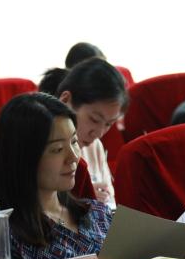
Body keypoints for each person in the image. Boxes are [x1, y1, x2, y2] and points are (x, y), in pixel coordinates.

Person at [0, 92, 113, 259]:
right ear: (23, 157)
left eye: (74, 142)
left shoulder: (98, 213)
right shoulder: (5, 237)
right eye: (57, 149)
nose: (73, 157)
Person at [41, 57, 128, 207]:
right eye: (94, 119)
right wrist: (83, 198)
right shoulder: (40, 147)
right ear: (65, 101)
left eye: (108, 124)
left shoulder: (94, 146)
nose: (99, 133)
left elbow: (111, 202)